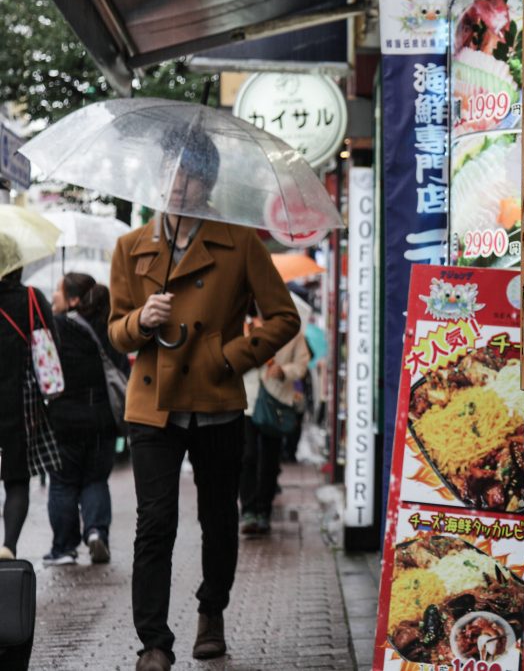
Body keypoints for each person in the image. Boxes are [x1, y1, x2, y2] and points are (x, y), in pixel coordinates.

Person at [107, 131, 299, 671]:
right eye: (171, 170)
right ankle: (153, 642)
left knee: (218, 520)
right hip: (153, 407)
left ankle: (211, 611)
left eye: (190, 173)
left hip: (216, 403)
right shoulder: (130, 247)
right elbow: (117, 331)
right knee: (155, 522)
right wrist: (138, 321)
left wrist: (227, 355)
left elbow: (284, 316)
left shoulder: (238, 242)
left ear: (207, 181)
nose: (179, 183)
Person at [44, 273, 129, 566]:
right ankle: (96, 533)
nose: (53, 295)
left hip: (64, 419)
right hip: (103, 418)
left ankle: (64, 548)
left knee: (63, 484)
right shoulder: (110, 328)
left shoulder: (56, 328)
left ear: (74, 299)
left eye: (58, 290)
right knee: (96, 480)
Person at [0, 260, 61, 561]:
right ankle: (8, 545)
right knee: (16, 478)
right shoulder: (32, 298)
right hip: (20, 402)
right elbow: (52, 343)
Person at [239, 320, 310, 534]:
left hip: (276, 400)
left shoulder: (291, 330)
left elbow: (301, 366)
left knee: (270, 459)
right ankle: (249, 510)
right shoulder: (243, 326)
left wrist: (283, 371)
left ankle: (264, 511)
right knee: (247, 456)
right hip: (247, 401)